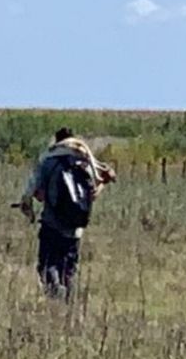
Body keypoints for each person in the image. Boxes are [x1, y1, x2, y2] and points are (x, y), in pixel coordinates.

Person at [18, 127, 116, 300]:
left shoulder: (48, 162)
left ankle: (55, 295)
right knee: (69, 269)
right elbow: (93, 193)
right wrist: (104, 183)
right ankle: (68, 303)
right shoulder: (86, 162)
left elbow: (37, 194)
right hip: (75, 228)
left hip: (51, 225)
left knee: (48, 265)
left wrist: (29, 205)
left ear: (56, 141)